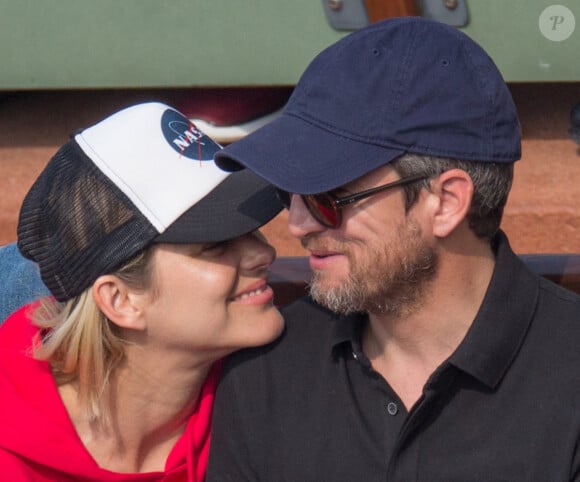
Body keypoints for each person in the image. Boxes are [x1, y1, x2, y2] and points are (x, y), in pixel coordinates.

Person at [206, 17, 580, 481]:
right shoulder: (267, 371)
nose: (297, 225)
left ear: (445, 202)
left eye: (327, 198)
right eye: (288, 193)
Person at [0, 101, 284, 480]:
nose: (265, 252)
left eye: (251, 230)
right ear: (120, 300)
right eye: (216, 244)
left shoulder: (280, 404)